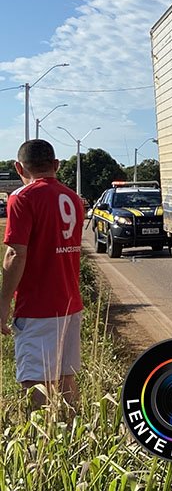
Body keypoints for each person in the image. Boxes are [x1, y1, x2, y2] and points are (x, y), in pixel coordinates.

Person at [0, 139, 84, 407]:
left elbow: (15, 253)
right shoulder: (73, 197)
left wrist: (3, 304)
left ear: (18, 168)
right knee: (65, 378)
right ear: (56, 165)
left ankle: (41, 443)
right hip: (70, 303)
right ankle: (73, 436)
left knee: (36, 382)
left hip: (38, 307)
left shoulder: (22, 197)